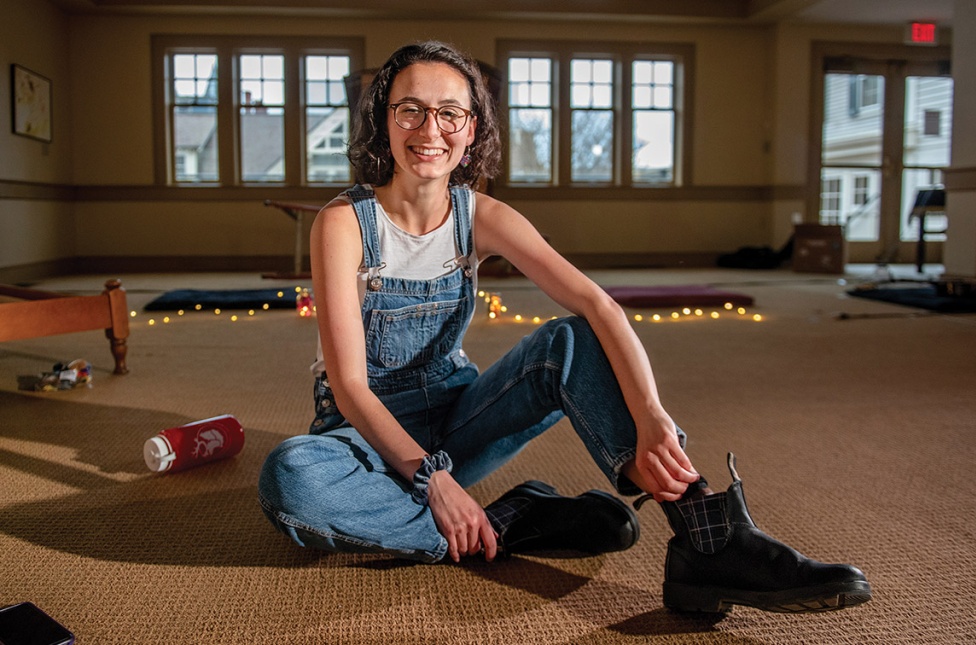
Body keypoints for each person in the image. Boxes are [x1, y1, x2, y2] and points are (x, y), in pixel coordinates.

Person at [258, 40, 872, 615]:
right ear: (385, 121)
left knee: (569, 341)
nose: (429, 130)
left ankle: (707, 538)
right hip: (362, 438)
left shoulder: (483, 216)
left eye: (450, 113)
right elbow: (352, 389)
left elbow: (600, 308)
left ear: (472, 130)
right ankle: (507, 520)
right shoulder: (343, 222)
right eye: (411, 110)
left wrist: (651, 413)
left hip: (454, 418)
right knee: (291, 478)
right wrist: (434, 481)